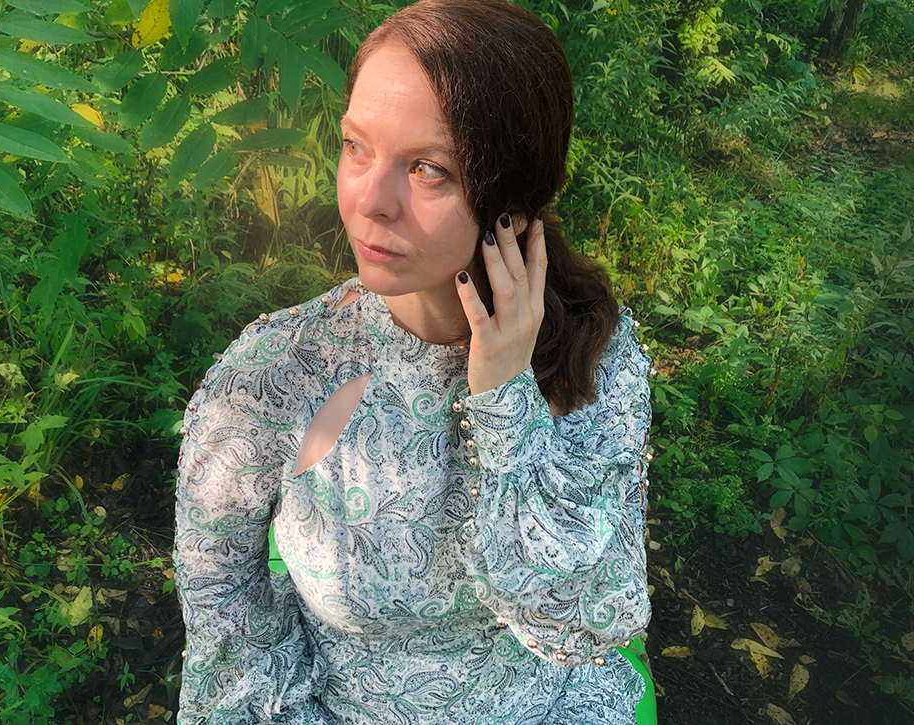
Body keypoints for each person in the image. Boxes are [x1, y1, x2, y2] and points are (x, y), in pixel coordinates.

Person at [173, 1, 655, 723]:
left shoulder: (594, 361)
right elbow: (223, 602)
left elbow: (579, 622)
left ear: (514, 204)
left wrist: (505, 398)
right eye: (356, 146)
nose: (369, 200)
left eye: (428, 169)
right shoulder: (280, 374)